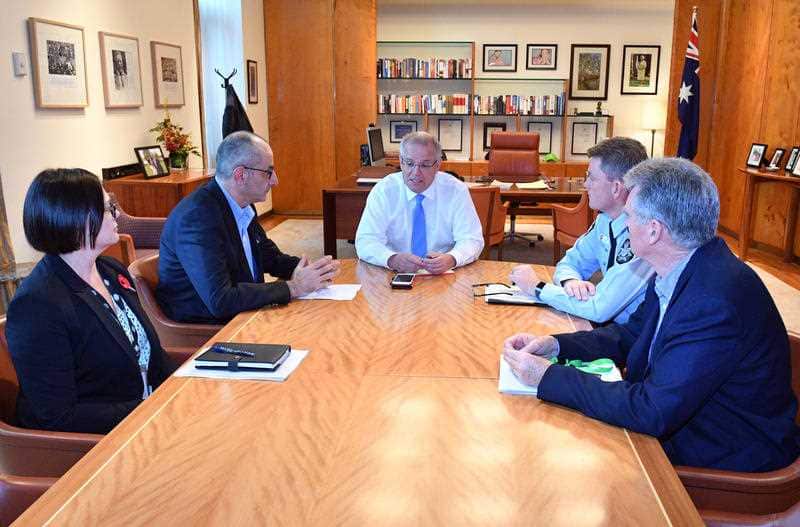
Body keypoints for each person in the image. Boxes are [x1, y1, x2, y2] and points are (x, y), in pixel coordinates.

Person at [503, 158, 800, 472]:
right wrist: (556, 345)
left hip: (723, 455)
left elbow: (652, 410)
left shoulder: (713, 301)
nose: (625, 224)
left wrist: (547, 376)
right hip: (688, 425)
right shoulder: (681, 265)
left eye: (629, 216)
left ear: (654, 231)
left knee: (557, 460)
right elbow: (630, 336)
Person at [6, 169, 176, 434]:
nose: (117, 214)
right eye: (109, 207)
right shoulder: (37, 305)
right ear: (75, 219)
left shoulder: (111, 270)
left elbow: (151, 355)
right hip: (100, 444)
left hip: (149, 419)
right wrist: (149, 409)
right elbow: (56, 416)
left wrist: (185, 389)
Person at [158, 131, 339, 323]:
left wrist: (310, 270)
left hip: (246, 313)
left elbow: (269, 257)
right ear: (240, 175)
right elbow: (221, 300)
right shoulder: (197, 218)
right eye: (268, 172)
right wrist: (293, 287)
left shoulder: (242, 204)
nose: (275, 180)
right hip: (210, 329)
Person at [510, 137, 654, 324]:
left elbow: (599, 309)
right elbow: (569, 263)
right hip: (608, 330)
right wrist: (572, 282)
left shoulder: (644, 236)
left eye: (591, 177)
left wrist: (536, 287)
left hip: (631, 341)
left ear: (617, 188)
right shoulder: (605, 220)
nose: (585, 185)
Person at [355, 131, 484, 274]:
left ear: (437, 165)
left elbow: (472, 239)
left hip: (444, 274)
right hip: (393, 273)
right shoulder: (384, 191)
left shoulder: (456, 190)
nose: (415, 172)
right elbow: (366, 240)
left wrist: (452, 258)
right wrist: (392, 259)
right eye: (410, 163)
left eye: (425, 165)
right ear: (401, 162)